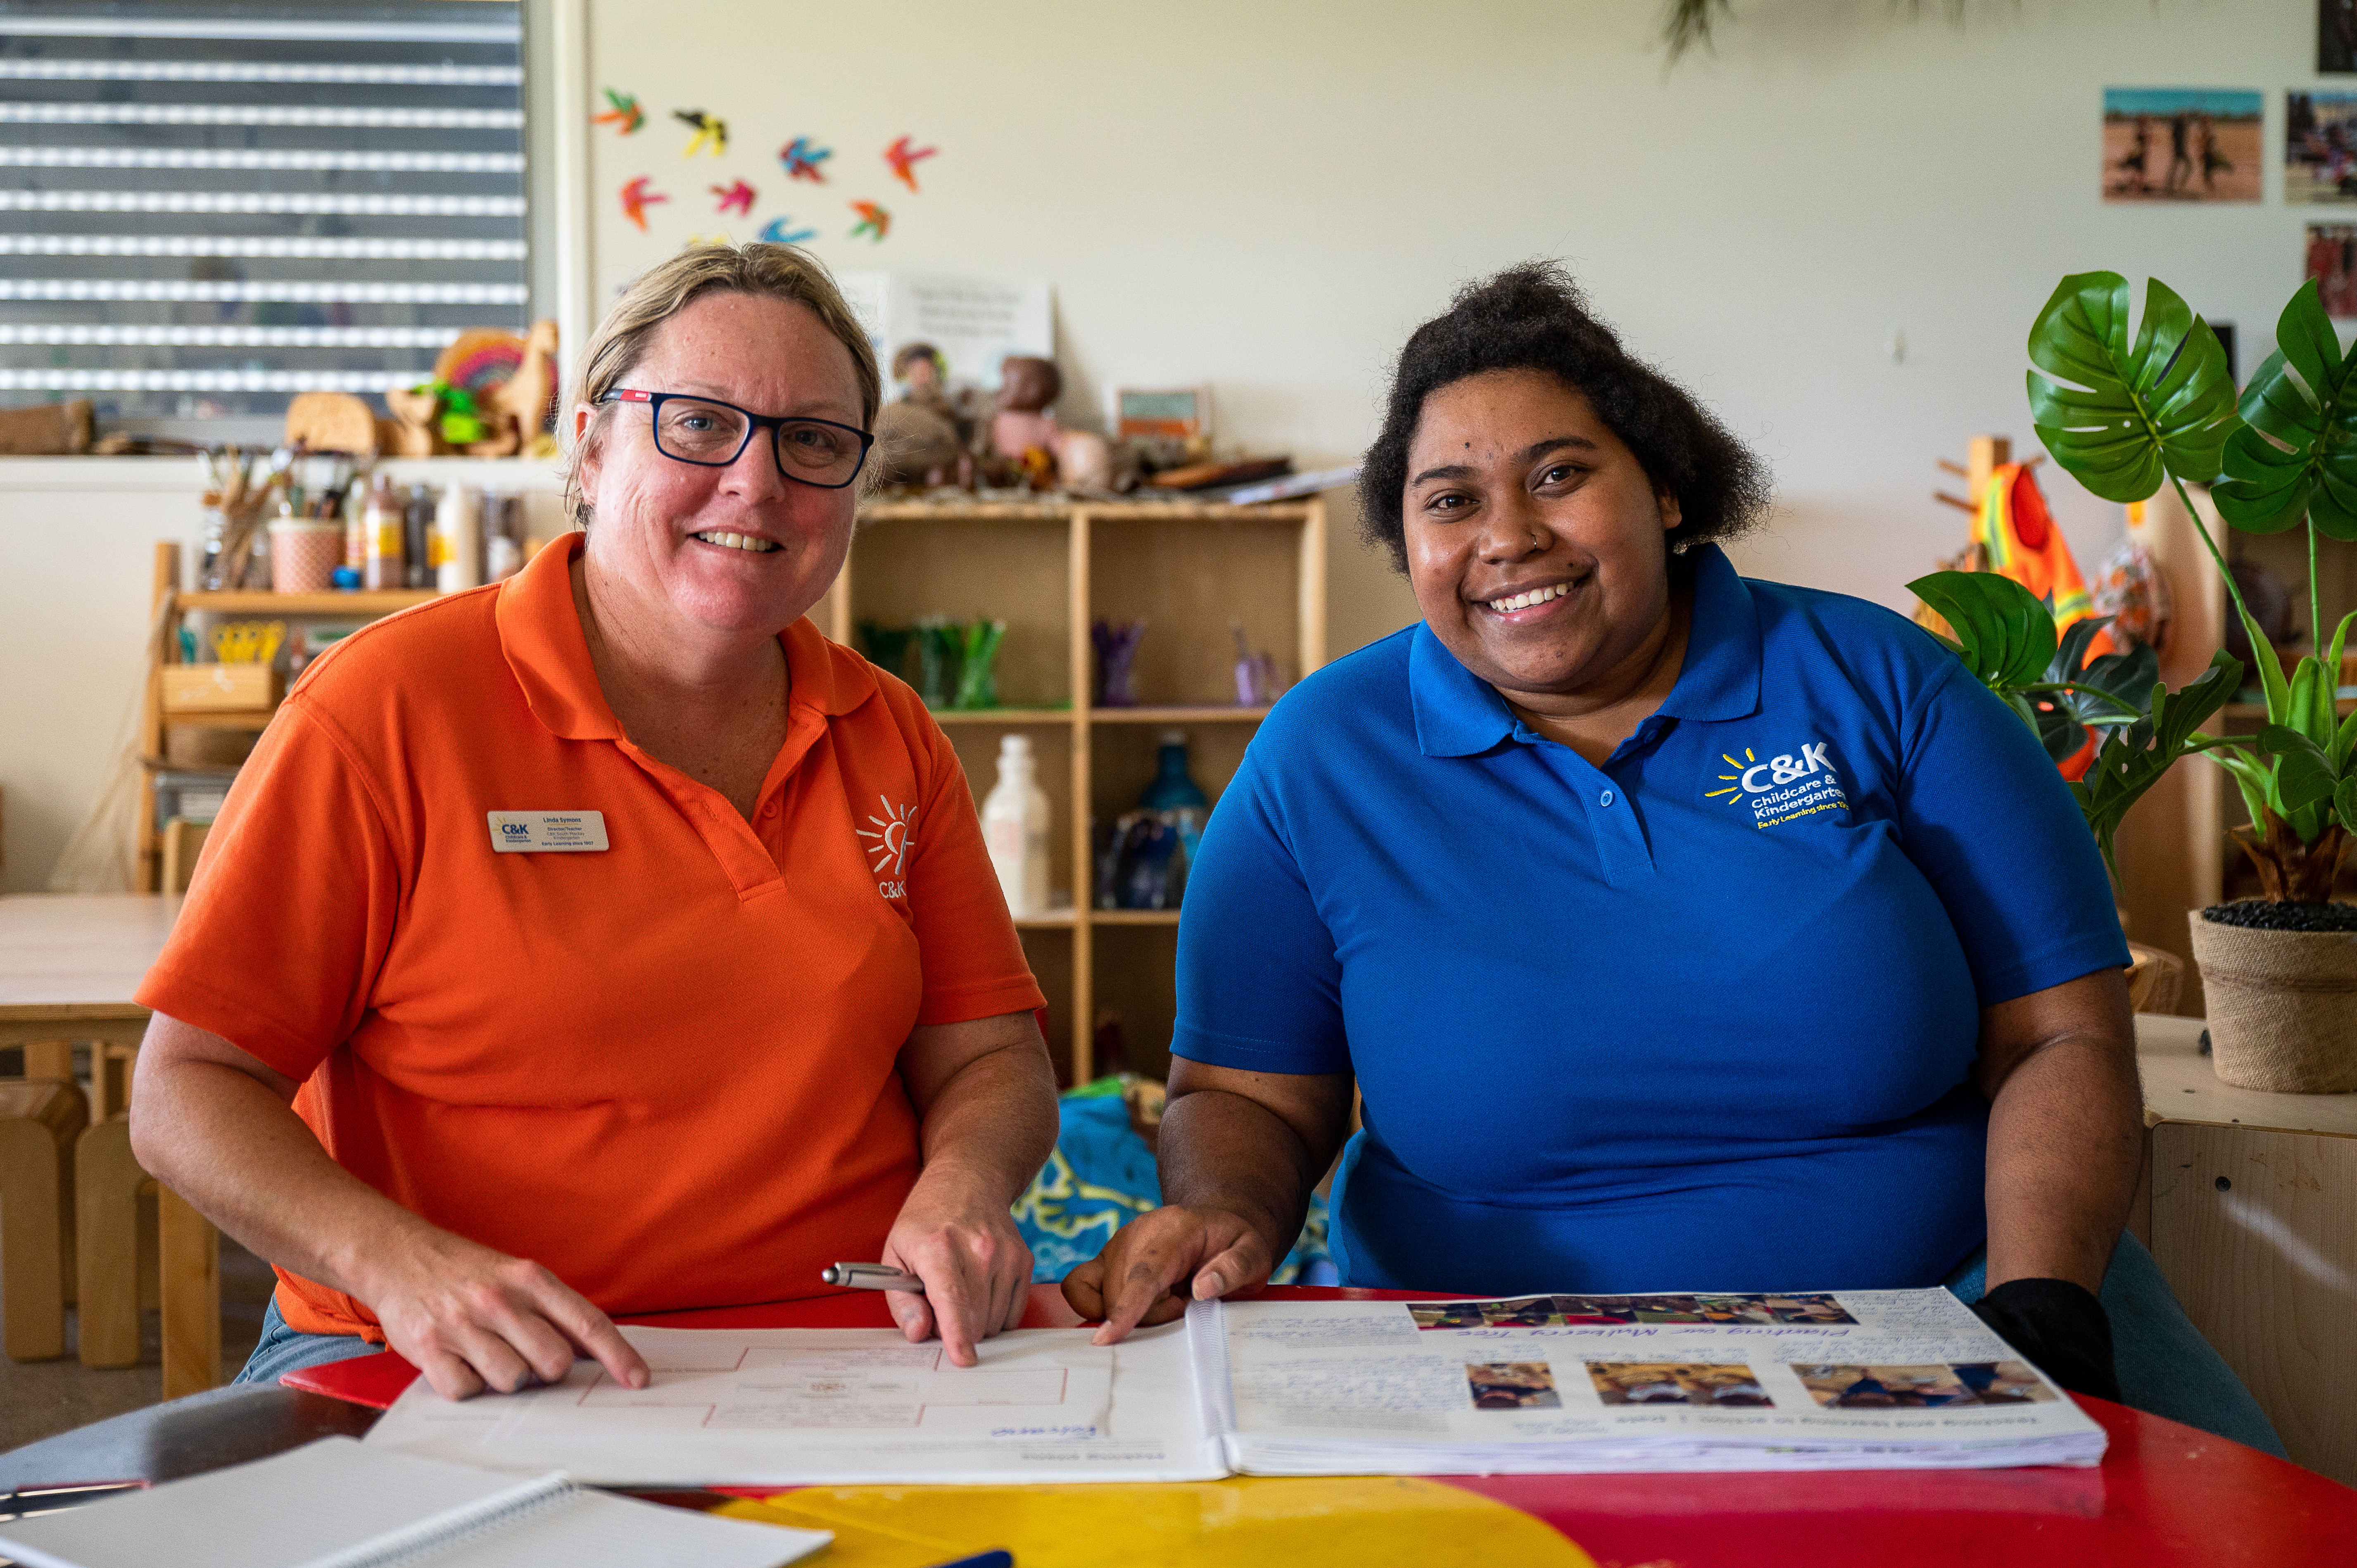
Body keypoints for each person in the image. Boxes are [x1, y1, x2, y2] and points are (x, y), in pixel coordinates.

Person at [1065, 264, 2284, 1456]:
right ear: (1406, 539)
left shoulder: (1884, 683)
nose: (1507, 535)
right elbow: (1246, 1096)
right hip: (1474, 1356)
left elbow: (2059, 1035)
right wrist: (1223, 1213)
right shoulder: (1321, 758)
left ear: (1661, 487)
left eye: (1558, 474)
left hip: (1952, 1317)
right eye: (1448, 500)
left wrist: (2040, 1312)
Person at [131, 242, 1060, 1399]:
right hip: (448, 1355)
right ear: (588, 444)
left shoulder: (891, 730)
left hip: (851, 1348)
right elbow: (186, 1089)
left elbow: (989, 1056)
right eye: (698, 423)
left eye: (813, 441)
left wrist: (963, 1187)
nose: (755, 482)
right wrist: (406, 1269)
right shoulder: (384, 707)